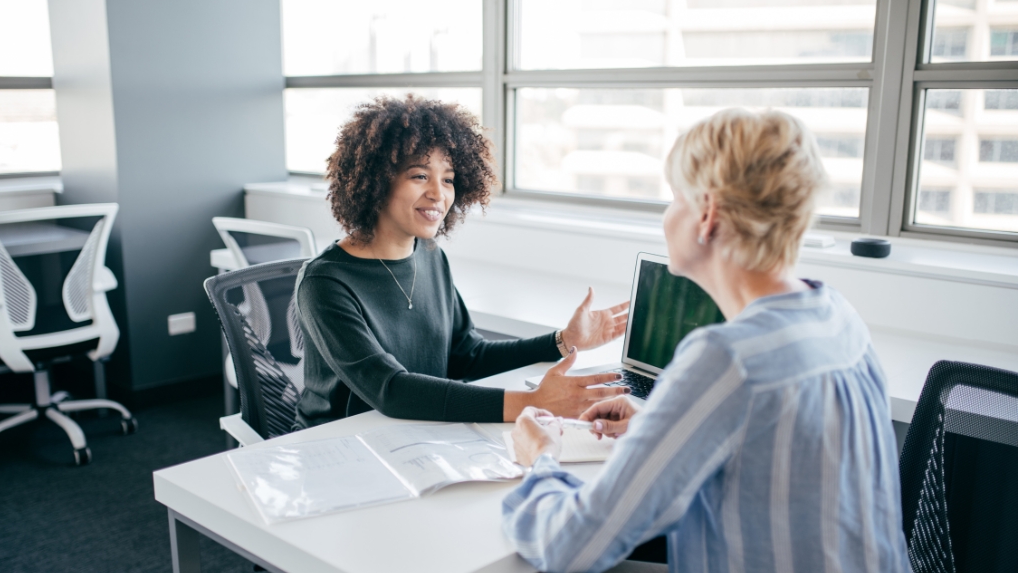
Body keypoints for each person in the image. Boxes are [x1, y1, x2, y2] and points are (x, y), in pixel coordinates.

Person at [502, 109, 912, 573]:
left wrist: (541, 458)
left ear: (707, 214)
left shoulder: (728, 359)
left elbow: (571, 546)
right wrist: (664, 424)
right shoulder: (837, 314)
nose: (665, 216)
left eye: (674, 198)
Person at [293, 95, 630, 430]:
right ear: (377, 180)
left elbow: (467, 356)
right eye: (420, 176)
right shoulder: (325, 283)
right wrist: (530, 402)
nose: (439, 194)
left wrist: (563, 340)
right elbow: (390, 390)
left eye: (449, 179)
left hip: (412, 434)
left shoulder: (429, 255)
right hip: (337, 447)